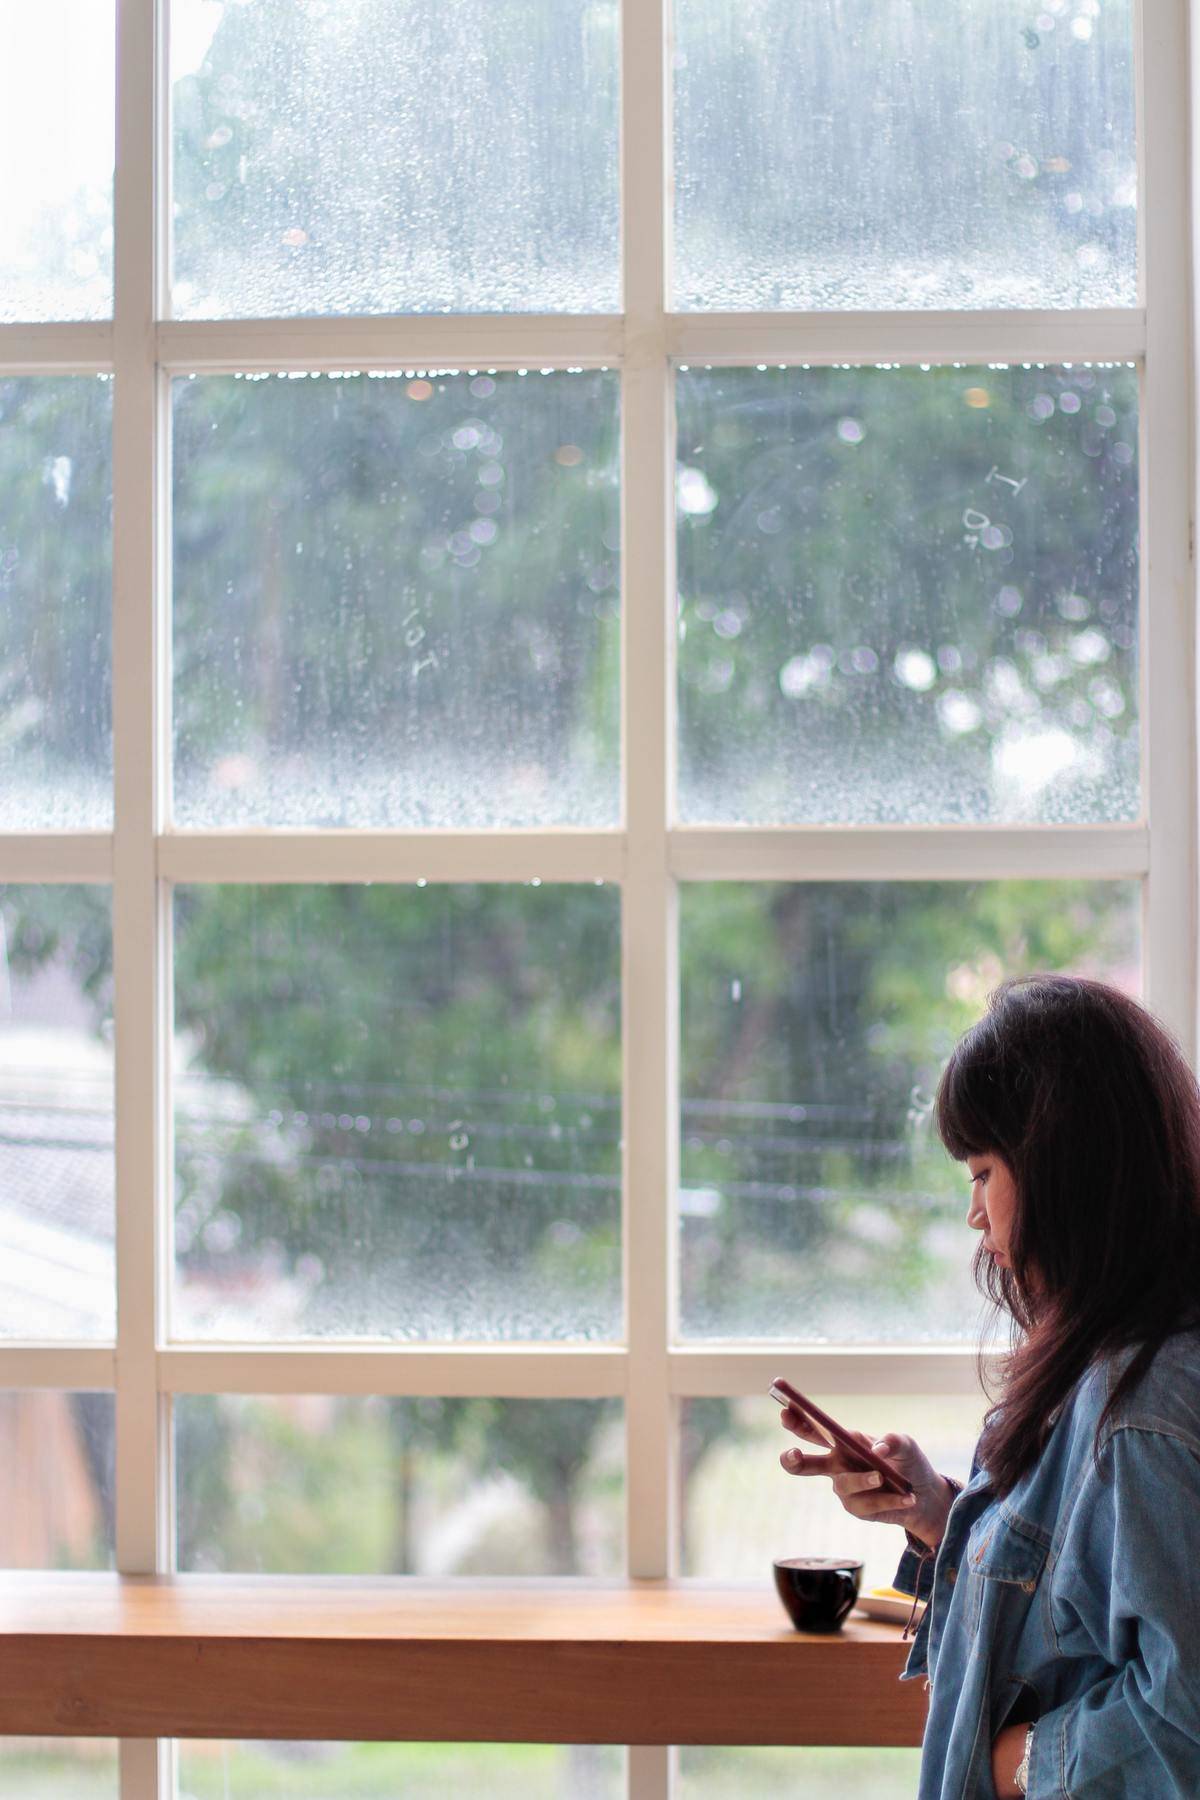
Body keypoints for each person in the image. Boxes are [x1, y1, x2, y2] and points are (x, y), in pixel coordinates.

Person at [777, 974, 1200, 1798]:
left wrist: (1015, 1761)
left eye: (981, 1172)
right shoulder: (1109, 1363)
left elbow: (1185, 1719)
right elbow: (1078, 1608)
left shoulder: (1141, 1412)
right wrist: (938, 1513)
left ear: (1060, 1166)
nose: (974, 1213)